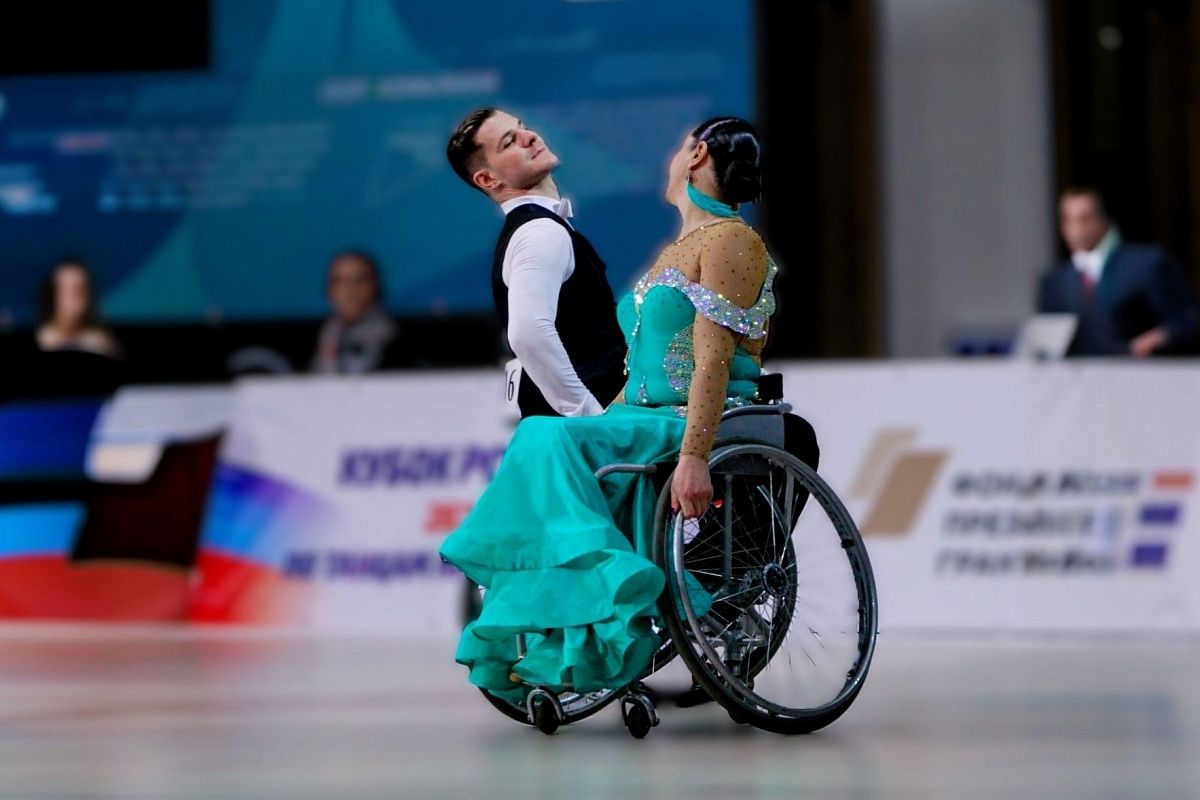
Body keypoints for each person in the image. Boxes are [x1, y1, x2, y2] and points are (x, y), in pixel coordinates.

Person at [440, 117, 779, 700]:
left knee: (546, 437)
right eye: (509, 140)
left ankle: (599, 609)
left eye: (679, 144)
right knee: (545, 438)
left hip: (687, 419)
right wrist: (599, 419)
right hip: (639, 414)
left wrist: (693, 457)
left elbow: (712, 363)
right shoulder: (673, 251)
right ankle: (587, 616)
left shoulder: (728, 241)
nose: (528, 137)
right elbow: (633, 367)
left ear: (697, 155)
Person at [446, 108, 626, 418]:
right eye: (509, 142)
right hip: (586, 424)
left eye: (522, 127)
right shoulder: (539, 232)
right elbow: (528, 335)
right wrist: (587, 415)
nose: (529, 137)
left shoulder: (537, 228)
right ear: (487, 178)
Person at [1037, 187, 1200, 356]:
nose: (1076, 229)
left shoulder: (1146, 264)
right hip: (1081, 371)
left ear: (1104, 218)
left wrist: (1158, 338)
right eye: (1068, 220)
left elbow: (1188, 321)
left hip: (1142, 368)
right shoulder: (1054, 282)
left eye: (1085, 219)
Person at [311, 249, 399, 374]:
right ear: (329, 290)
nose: (350, 290)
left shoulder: (396, 338)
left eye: (359, 280)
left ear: (375, 285)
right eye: (340, 281)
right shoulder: (325, 333)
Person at [36, 260, 122, 359]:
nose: (70, 299)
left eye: (78, 291)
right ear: (51, 295)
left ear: (89, 297)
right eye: (63, 290)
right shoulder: (39, 339)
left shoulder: (102, 344)